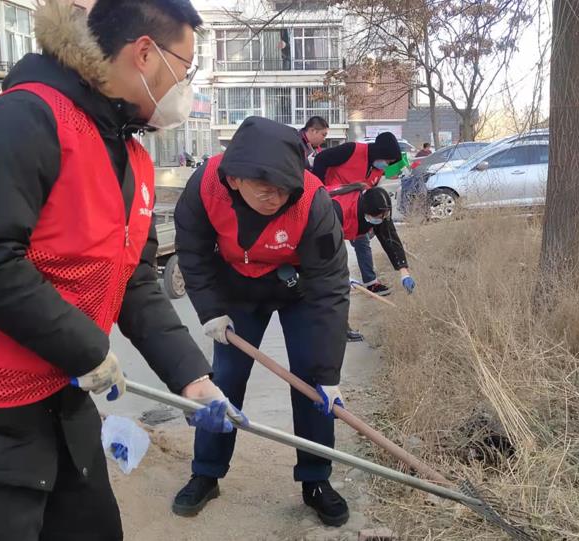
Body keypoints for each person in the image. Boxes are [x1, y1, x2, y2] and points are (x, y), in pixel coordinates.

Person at [0, 2, 243, 540]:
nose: (186, 85)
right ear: (144, 53)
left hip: (58, 392)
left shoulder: (131, 156)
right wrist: (88, 348)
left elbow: (134, 279)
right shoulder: (23, 119)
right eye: (184, 68)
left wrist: (192, 378)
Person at [171, 116, 351, 527]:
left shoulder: (313, 201)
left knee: (312, 386)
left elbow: (329, 288)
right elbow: (193, 252)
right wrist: (210, 310)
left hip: (299, 291)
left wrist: (328, 372)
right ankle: (206, 473)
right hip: (236, 292)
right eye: (264, 189)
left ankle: (316, 481)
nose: (276, 198)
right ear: (234, 180)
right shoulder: (206, 187)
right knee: (225, 382)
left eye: (284, 188)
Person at [312, 132, 402, 296]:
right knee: (330, 244)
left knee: (362, 240)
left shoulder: (377, 169)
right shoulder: (352, 150)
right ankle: (332, 282)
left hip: (357, 210)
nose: (387, 165)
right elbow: (321, 160)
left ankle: (371, 282)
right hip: (332, 206)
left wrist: (401, 265)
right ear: (380, 153)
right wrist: (318, 190)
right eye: (387, 161)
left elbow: (371, 191)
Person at [328, 183, 416, 295]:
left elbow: (389, 237)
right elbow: (325, 248)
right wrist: (340, 276)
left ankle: (371, 283)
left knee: (363, 242)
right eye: (379, 217)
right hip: (315, 229)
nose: (382, 219)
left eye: (384, 216)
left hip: (349, 228)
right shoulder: (337, 210)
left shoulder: (378, 206)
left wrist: (404, 272)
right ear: (366, 213)